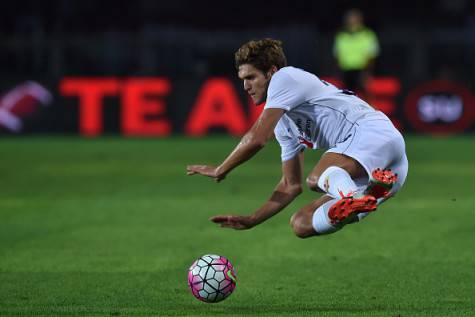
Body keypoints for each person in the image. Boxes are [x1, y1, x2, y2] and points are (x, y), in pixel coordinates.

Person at [187, 38, 407, 238]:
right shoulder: (284, 124)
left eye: (251, 77)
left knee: (316, 178)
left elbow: (256, 138)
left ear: (271, 71)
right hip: (391, 172)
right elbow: (290, 185)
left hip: (372, 131)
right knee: (301, 224)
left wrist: (220, 169)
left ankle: (353, 198)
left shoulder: (285, 77)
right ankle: (362, 196)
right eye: (243, 79)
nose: (246, 86)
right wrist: (252, 219)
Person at [333, 9, 380, 96]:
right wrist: (339, 74)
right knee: (347, 96)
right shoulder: (341, 35)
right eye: (349, 19)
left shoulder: (368, 34)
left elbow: (372, 55)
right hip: (346, 72)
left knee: (365, 96)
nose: (351, 21)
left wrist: (367, 73)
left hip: (362, 71)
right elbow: (337, 55)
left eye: (353, 18)